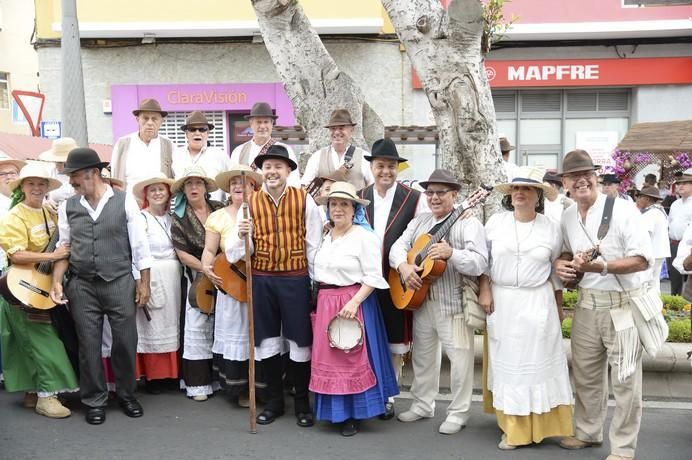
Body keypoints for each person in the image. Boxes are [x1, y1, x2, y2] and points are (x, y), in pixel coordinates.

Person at [554, 149, 652, 460]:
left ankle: (623, 448)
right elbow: (565, 253)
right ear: (565, 182)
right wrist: (563, 265)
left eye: (587, 174)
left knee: (625, 380)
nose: (581, 180)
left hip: (621, 305)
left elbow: (641, 260)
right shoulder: (568, 215)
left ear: (596, 177)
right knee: (584, 374)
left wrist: (601, 267)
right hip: (586, 305)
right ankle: (587, 432)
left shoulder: (624, 211)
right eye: (574, 176)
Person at [50, 148, 152, 425]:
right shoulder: (68, 207)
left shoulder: (124, 201)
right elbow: (64, 249)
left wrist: (144, 282)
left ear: (94, 174)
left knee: (125, 342)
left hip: (119, 281)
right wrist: (57, 281)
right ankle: (94, 400)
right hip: (82, 285)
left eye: (75, 178)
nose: (71, 184)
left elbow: (140, 245)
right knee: (88, 344)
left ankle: (127, 395)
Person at [227, 144, 322, 427]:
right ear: (261, 171)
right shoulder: (249, 204)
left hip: (295, 278)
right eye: (267, 167)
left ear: (289, 171)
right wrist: (244, 234)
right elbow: (236, 252)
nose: (272, 172)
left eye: (278, 167)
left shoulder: (305, 200)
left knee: (299, 342)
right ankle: (274, 402)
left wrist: (315, 285)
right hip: (263, 279)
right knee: (266, 341)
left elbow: (313, 244)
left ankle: (302, 404)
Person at [479, 166, 573, 450]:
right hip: (503, 300)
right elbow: (484, 261)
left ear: (537, 196)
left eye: (527, 189)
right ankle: (513, 427)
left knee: (538, 366)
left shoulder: (551, 228)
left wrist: (559, 308)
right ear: (510, 195)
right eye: (516, 189)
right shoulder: (495, 222)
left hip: (538, 301)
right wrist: (484, 289)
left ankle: (544, 425)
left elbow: (557, 268)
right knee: (510, 366)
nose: (520, 193)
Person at [389, 169, 488, 435]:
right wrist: (403, 267)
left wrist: (452, 253)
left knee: (460, 361)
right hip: (422, 301)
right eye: (430, 192)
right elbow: (397, 247)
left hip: (453, 302)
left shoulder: (468, 223)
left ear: (455, 195)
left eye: (441, 192)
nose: (434, 197)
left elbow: (479, 262)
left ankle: (458, 412)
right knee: (422, 358)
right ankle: (422, 403)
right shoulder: (419, 222)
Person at [309, 181, 398, 436]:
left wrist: (354, 302)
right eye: (333, 204)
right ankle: (334, 412)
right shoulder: (326, 236)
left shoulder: (364, 237)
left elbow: (373, 276)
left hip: (351, 301)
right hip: (327, 302)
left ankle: (353, 415)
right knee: (331, 361)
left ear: (353, 209)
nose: (338, 209)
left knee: (349, 359)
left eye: (344, 204)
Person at [356, 137, 428, 419]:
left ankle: (388, 392)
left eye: (391, 166)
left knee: (394, 339)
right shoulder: (360, 196)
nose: (385, 171)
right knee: (367, 336)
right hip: (365, 279)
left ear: (398, 169)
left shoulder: (413, 197)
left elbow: (421, 236)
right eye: (380, 166)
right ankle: (368, 389)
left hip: (396, 279)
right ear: (372, 167)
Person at [0, 162, 78, 418]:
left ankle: (32, 391)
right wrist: (54, 255)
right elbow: (16, 253)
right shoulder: (14, 216)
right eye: (31, 183)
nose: (36, 187)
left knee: (29, 339)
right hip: (21, 287)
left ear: (47, 188)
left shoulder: (50, 212)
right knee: (43, 340)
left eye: (41, 183)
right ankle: (48, 396)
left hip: (41, 285)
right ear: (22, 187)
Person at [201, 164, 262, 408]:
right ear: (228, 188)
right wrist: (207, 268)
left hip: (258, 282)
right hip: (232, 284)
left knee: (260, 336)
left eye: (244, 182)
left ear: (253, 187)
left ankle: (261, 389)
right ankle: (239, 388)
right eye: (234, 183)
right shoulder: (218, 217)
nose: (239, 186)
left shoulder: (261, 212)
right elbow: (209, 249)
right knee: (237, 335)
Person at [170, 165, 224, 401]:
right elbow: (182, 254)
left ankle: (221, 379)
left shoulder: (219, 209)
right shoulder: (179, 218)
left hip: (226, 274)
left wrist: (219, 267)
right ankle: (198, 385)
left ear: (205, 187)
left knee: (223, 327)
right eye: (188, 184)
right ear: (183, 190)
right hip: (197, 276)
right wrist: (206, 268)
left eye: (197, 183)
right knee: (197, 327)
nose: (193, 188)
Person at [131, 173, 181, 394]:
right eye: (153, 190)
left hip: (173, 277)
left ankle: (171, 374)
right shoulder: (140, 219)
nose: (158, 193)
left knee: (172, 324)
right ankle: (153, 376)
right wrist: (141, 281)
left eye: (161, 189)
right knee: (152, 326)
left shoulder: (172, 218)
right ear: (146, 195)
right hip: (153, 274)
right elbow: (136, 252)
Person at [230, 101, 301, 187]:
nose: (263, 126)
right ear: (251, 124)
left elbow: (294, 183)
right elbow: (232, 181)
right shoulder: (238, 151)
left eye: (266, 122)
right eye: (259, 122)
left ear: (272, 124)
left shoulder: (285, 149)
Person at [111, 98, 174, 192]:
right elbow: (115, 176)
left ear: (161, 121)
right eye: (145, 118)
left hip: (159, 204)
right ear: (137, 119)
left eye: (154, 119)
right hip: (128, 203)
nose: (149, 123)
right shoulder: (123, 144)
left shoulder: (169, 145)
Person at [301, 109, 374, 189]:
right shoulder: (317, 157)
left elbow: (373, 188)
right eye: (333, 128)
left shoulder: (364, 157)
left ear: (351, 130)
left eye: (341, 128)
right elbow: (305, 186)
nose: (336, 132)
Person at [172, 111, 232, 201]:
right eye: (192, 129)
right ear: (186, 134)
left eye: (202, 129)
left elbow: (231, 183)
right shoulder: (176, 155)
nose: (197, 133)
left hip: (214, 211)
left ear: (208, 133)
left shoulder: (220, 155)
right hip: (183, 212)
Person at [635, 185, 670, 295]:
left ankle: (650, 306)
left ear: (647, 199)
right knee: (654, 282)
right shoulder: (659, 211)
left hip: (652, 252)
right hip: (659, 252)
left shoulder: (651, 213)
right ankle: (656, 306)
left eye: (640, 197)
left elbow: (645, 235)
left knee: (647, 282)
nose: (638, 200)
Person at [666, 169, 692, 296]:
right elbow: (670, 224)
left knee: (688, 278)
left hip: (688, 246)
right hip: (674, 243)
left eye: (685, 183)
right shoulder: (675, 204)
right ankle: (674, 302)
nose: (680, 186)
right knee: (674, 276)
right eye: (678, 183)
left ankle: (687, 306)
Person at [38, 137, 79, 207]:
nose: (57, 165)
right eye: (56, 161)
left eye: (60, 162)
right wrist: (44, 202)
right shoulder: (49, 173)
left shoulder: (83, 174)